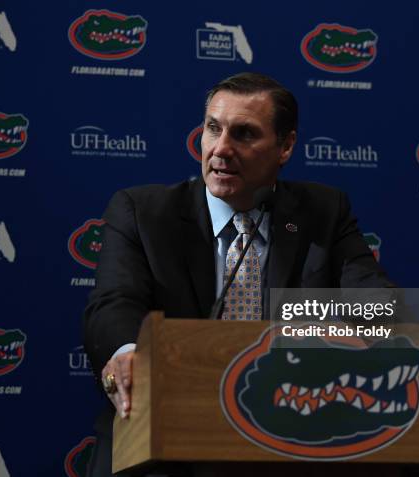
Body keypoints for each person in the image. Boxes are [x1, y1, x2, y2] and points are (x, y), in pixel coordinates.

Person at [82, 72, 393, 476]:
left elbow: (377, 305)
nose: (221, 149)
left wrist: (312, 329)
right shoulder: (143, 213)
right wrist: (129, 354)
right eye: (213, 129)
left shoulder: (323, 213)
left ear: (285, 146)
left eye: (244, 134)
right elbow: (114, 303)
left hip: (286, 441)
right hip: (163, 443)